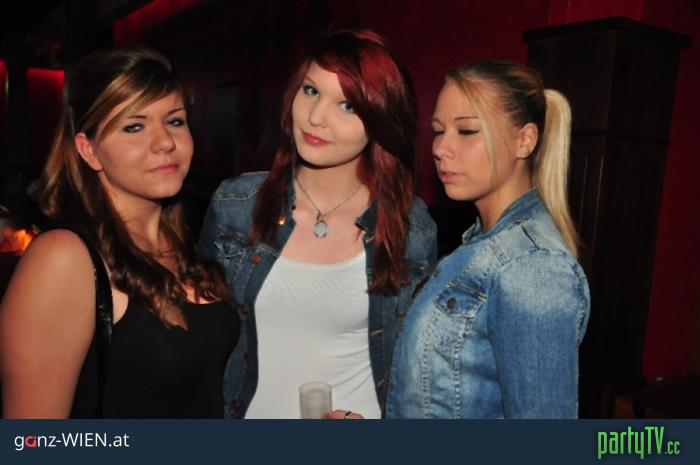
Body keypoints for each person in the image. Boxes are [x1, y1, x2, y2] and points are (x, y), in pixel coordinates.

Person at [198, 30, 437, 419]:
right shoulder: (235, 205)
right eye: (310, 91)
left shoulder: (412, 227)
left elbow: (417, 364)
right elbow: (200, 340)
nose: (315, 117)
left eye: (347, 105)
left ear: (380, 119)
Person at [0, 47, 239, 418]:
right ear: (89, 150)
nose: (165, 142)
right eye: (134, 126)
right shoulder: (63, 258)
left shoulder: (184, 243)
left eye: (175, 121)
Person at [387, 61, 590, 419]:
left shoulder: (531, 265)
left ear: (524, 140)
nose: (441, 148)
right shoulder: (485, 242)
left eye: (466, 131)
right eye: (438, 131)